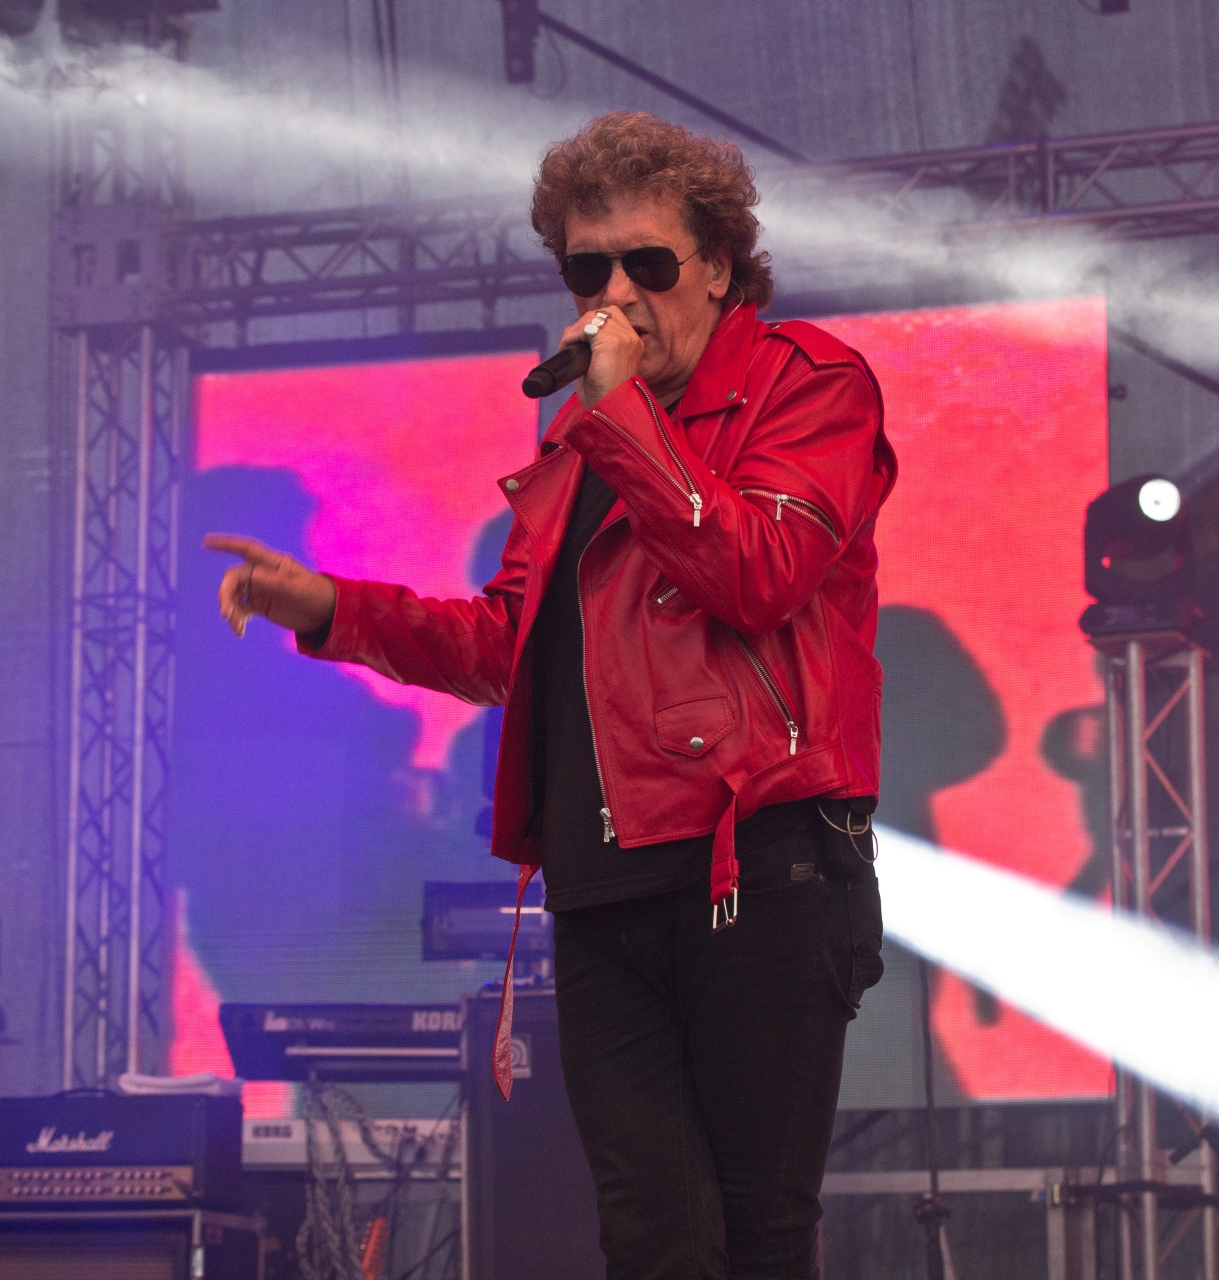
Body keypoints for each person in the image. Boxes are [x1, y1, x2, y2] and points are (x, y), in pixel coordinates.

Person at [204, 112, 897, 1278]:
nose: (616, 294)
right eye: (590, 269)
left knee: (758, 1231)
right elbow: (507, 644)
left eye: (649, 263)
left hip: (759, 868)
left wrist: (621, 420)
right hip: (603, 882)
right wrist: (331, 607)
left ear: (719, 266)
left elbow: (759, 572)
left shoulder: (806, 384)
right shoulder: (584, 442)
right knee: (648, 1232)